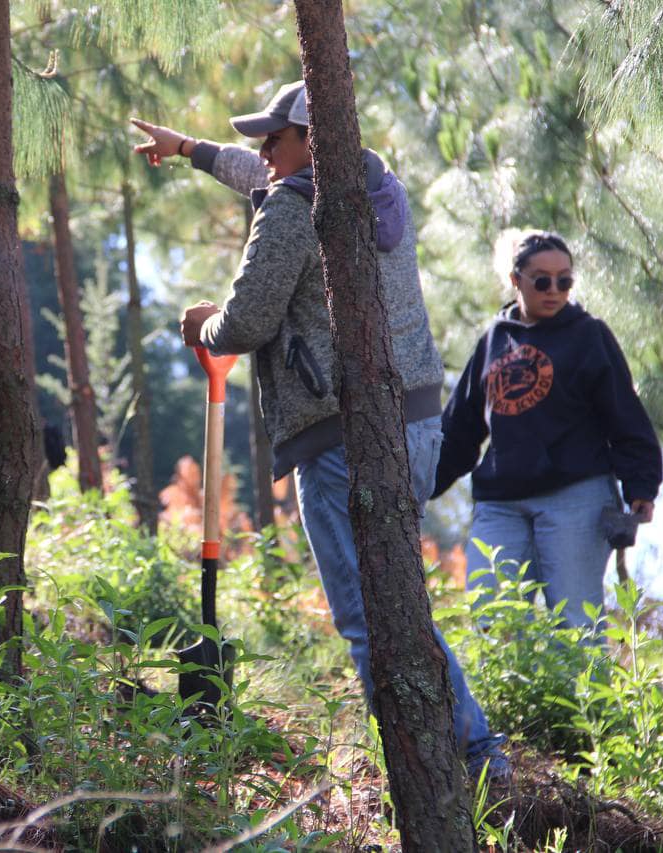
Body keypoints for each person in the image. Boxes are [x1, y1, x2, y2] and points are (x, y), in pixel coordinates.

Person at [139, 79, 508, 775]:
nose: (263, 152)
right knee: (398, 600)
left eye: (274, 138)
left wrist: (204, 324)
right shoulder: (375, 190)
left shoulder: (289, 208)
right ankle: (475, 753)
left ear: (312, 141)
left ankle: (450, 765)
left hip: (340, 440)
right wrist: (189, 149)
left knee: (371, 620)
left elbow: (246, 321)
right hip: (416, 425)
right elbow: (268, 176)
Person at [433, 230, 662, 629]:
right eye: (541, 279)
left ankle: (581, 695)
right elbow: (460, 428)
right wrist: (419, 485)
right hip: (500, 502)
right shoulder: (494, 340)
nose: (554, 289)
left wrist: (641, 486)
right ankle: (505, 695)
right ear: (515, 279)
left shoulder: (589, 336)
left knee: (574, 624)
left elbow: (625, 415)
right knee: (493, 619)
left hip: (575, 497)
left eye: (565, 280)